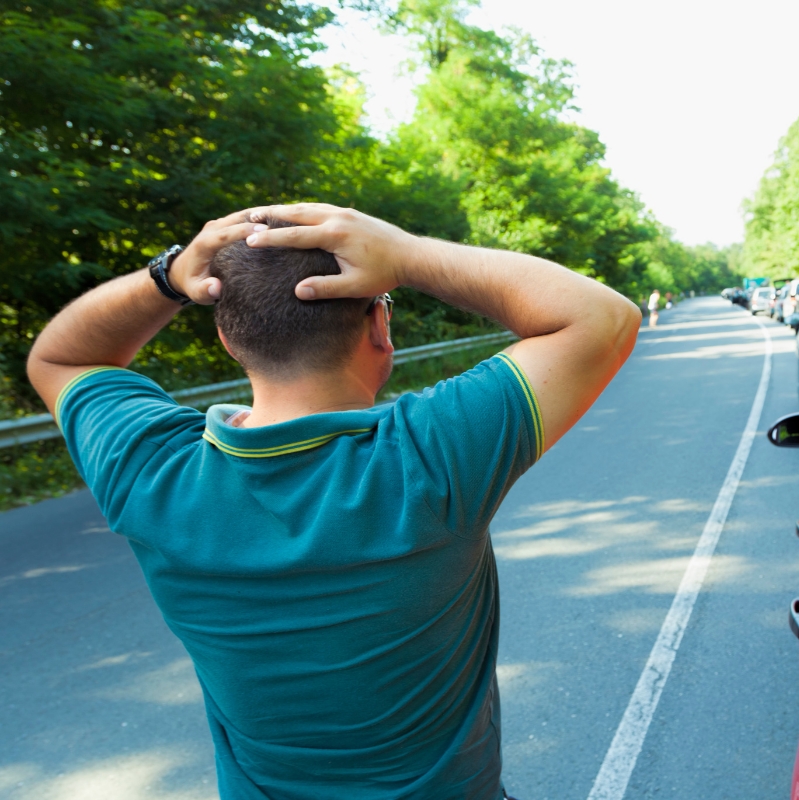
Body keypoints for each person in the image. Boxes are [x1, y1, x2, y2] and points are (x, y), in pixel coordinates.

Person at [26, 204, 641, 800]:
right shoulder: (429, 457)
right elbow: (601, 316)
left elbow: (60, 357)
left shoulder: (151, 473)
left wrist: (168, 275)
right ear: (379, 325)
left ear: (228, 340)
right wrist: (407, 253)